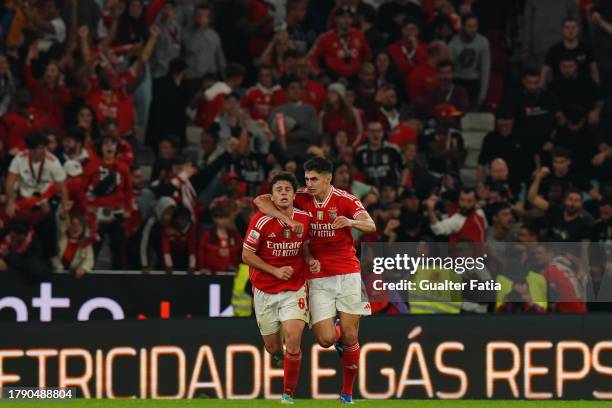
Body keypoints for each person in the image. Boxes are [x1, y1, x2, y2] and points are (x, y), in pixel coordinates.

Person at [254, 157, 376, 404]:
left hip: (348, 272)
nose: (308, 184)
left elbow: (370, 225)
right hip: (317, 276)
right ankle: (338, 335)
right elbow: (260, 201)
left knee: (352, 336)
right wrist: (288, 220)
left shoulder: (345, 199)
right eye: (307, 178)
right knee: (325, 340)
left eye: (314, 179)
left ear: (328, 179)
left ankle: (347, 393)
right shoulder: (301, 197)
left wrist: (350, 222)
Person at [242, 172, 318, 404]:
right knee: (273, 347)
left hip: (293, 287)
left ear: (295, 195)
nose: (283, 193)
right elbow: (246, 255)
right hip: (264, 290)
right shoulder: (261, 220)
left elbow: (304, 246)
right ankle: (277, 355)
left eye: (287, 189)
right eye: (279, 190)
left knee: (293, 339)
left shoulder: (304, 218)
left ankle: (288, 394)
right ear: (272, 196)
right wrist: (274, 271)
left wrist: (310, 259)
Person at [307, 6, 372, 79]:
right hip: (333, 78)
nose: (347, 20)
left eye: (349, 17)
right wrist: (319, 74)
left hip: (355, 78)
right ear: (336, 19)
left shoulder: (360, 36)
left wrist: (364, 69)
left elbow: (367, 55)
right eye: (343, 17)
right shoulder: (325, 38)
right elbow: (310, 58)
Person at [448, 13, 491, 108]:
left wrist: (483, 93)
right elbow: (449, 68)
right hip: (457, 81)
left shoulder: (483, 42)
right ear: (463, 27)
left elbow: (485, 69)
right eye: (469, 26)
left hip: (474, 83)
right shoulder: (453, 43)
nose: (472, 29)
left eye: (475, 26)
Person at [542, 17, 600, 84]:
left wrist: (596, 89)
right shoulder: (554, 50)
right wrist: (542, 92)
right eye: (567, 28)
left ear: (578, 29)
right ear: (562, 30)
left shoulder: (586, 48)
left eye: (573, 27)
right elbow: (544, 71)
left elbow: (594, 71)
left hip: (582, 89)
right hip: (559, 90)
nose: (570, 31)